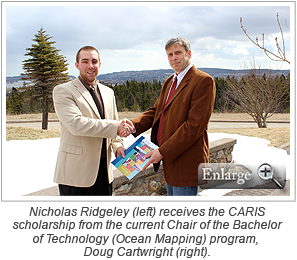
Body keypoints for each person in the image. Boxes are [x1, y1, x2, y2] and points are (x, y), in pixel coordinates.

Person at [131, 37, 216, 196]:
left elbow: (194, 127)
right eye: (170, 54)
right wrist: (132, 125)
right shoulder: (170, 81)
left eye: (178, 53)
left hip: (186, 162)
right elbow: (156, 111)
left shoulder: (203, 81)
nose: (173, 58)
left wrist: (162, 152)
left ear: (188, 53)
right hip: (170, 161)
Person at [53, 46, 133, 196]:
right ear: (77, 65)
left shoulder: (108, 93)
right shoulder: (63, 90)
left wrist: (118, 147)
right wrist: (116, 126)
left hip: (104, 173)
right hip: (75, 174)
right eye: (85, 61)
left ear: (100, 64)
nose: (90, 66)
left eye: (94, 61)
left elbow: (114, 128)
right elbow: (77, 125)